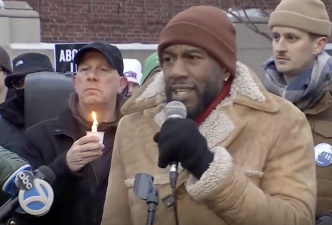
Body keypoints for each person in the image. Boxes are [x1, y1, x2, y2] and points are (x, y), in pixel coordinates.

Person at [101, 6, 316, 225]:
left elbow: (296, 219)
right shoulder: (132, 126)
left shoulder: (281, 122)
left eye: (192, 57)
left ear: (224, 67)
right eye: (168, 59)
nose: (176, 71)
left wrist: (207, 166)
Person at [15, 42, 127, 225]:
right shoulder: (40, 138)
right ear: (75, 82)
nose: (92, 76)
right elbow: (23, 211)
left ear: (121, 84)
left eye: (103, 69)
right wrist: (64, 167)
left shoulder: (138, 135)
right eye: (84, 69)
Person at [263, 0, 332, 217]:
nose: (280, 47)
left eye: (292, 38)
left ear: (318, 45)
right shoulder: (255, 105)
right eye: (276, 37)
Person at [0, 53, 54, 152]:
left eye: (33, 80)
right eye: (19, 82)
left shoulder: (72, 116)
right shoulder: (3, 122)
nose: (27, 87)